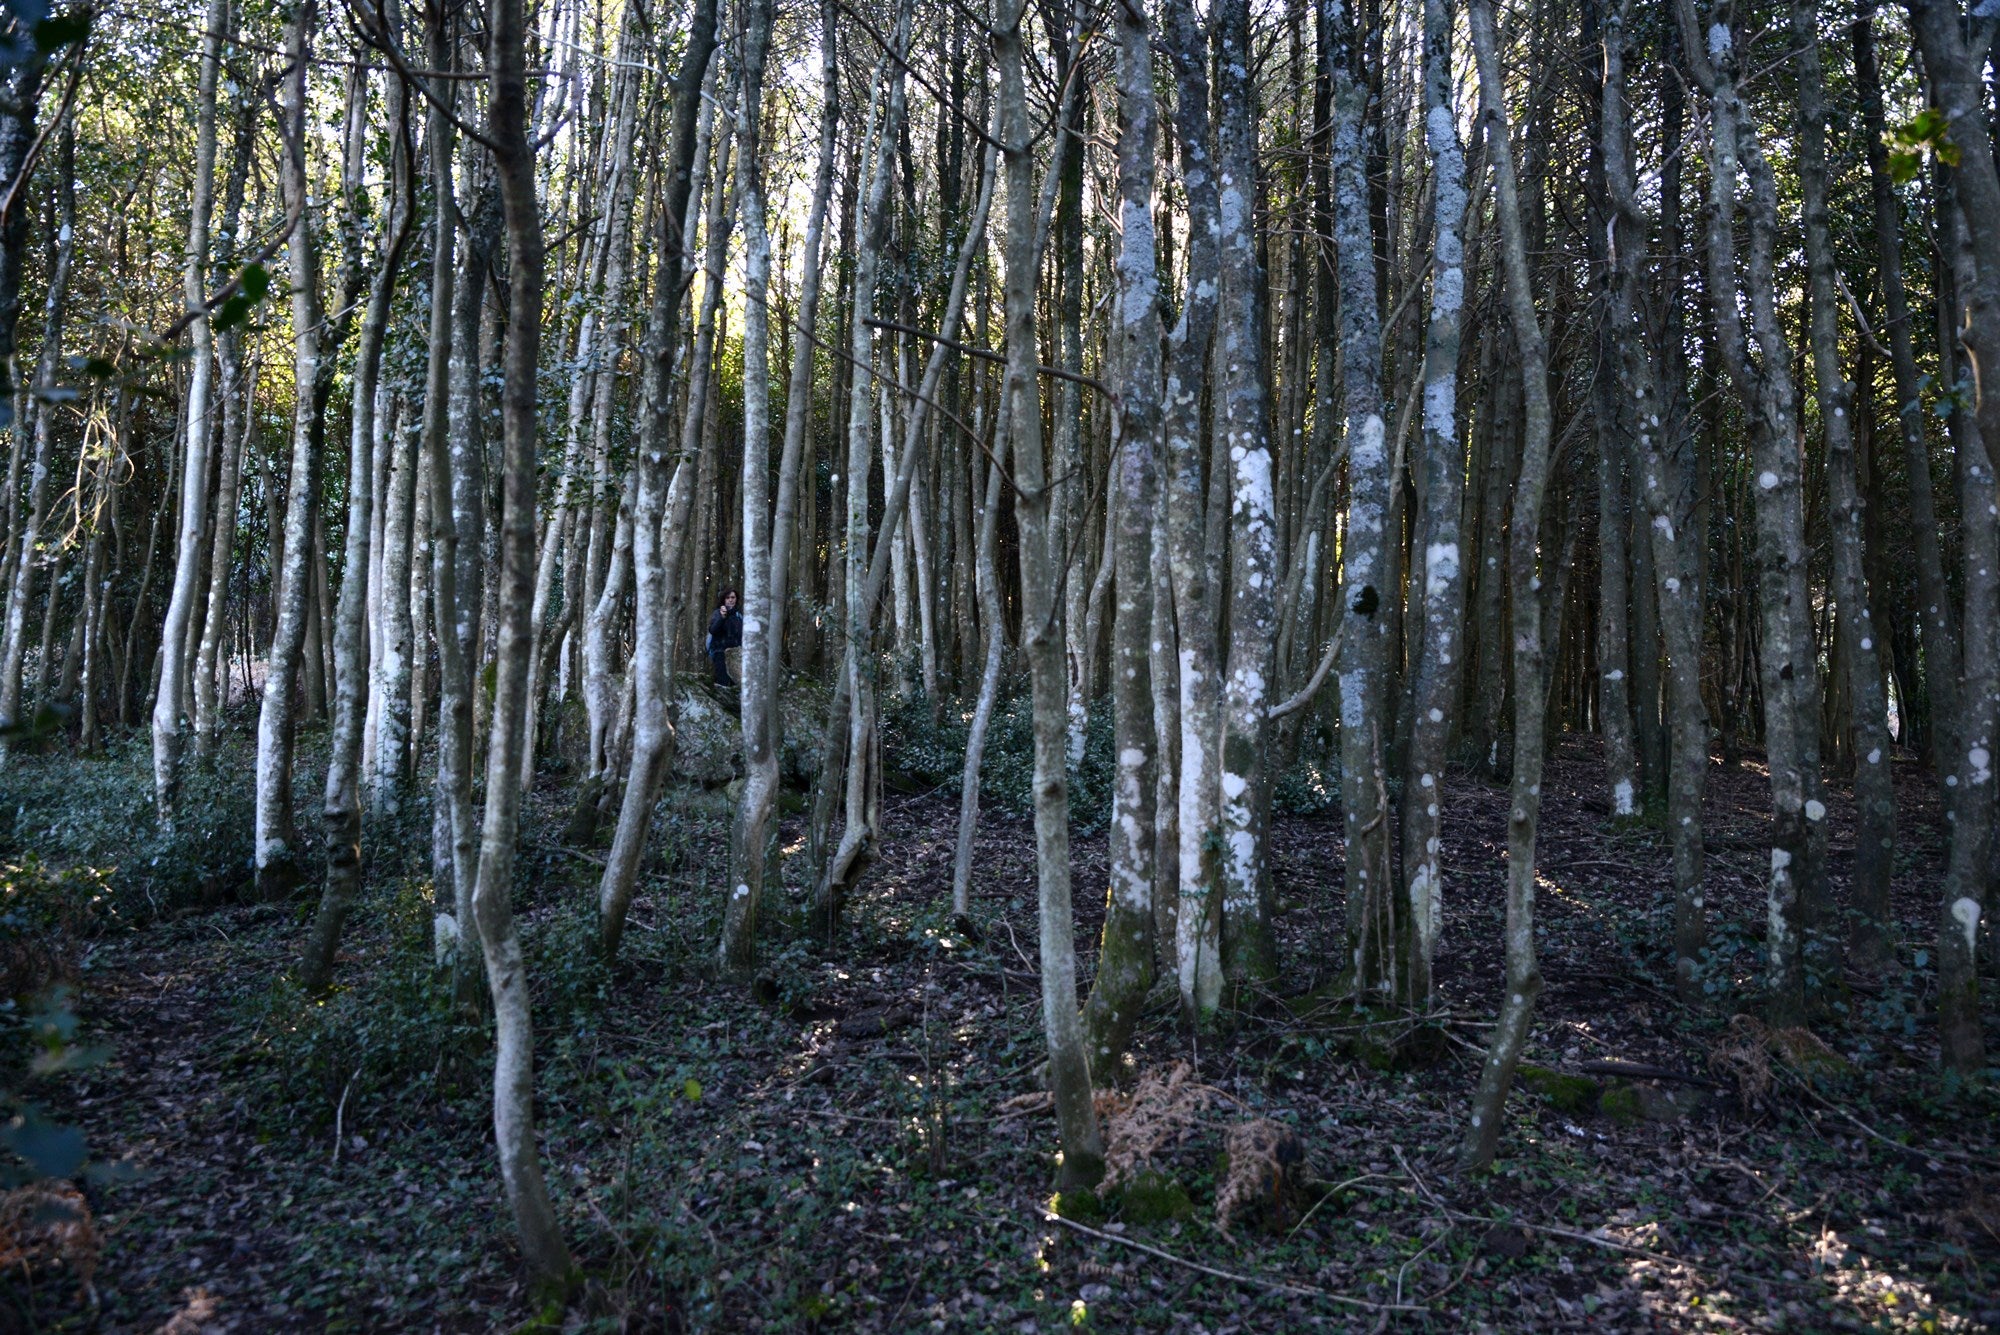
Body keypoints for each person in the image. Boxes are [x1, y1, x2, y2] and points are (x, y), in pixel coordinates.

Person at [707, 590, 742, 687]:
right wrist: (722, 617)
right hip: (720, 654)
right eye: (728, 598)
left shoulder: (738, 616)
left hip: (736, 655)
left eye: (733, 597)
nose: (730, 600)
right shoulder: (717, 613)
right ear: (723, 600)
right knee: (722, 683)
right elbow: (713, 630)